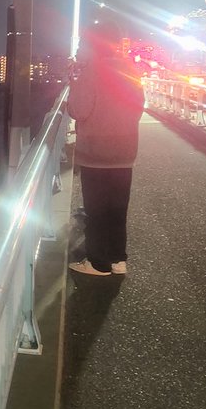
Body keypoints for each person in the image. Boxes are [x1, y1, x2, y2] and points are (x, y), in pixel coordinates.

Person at [66, 23, 144, 276]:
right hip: (125, 151)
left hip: (97, 152)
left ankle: (98, 264)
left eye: (82, 43)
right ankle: (118, 259)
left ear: (92, 45)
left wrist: (74, 82)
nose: (79, 47)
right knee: (118, 209)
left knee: (97, 210)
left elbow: (78, 110)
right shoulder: (130, 70)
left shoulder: (91, 71)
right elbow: (138, 107)